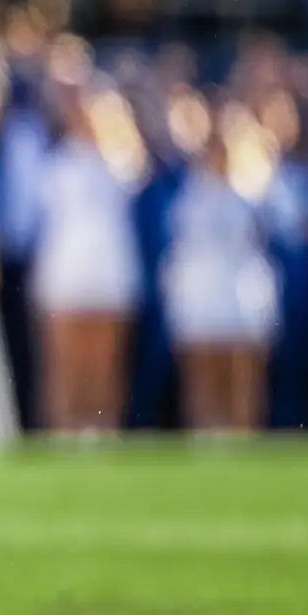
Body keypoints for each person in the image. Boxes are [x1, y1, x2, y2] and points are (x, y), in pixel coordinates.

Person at [31, 68, 146, 432]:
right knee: (64, 365)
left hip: (109, 273)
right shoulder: (55, 160)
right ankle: (65, 431)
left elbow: (135, 171)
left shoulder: (121, 162)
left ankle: (102, 431)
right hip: (65, 273)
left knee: (105, 365)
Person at [162, 101, 279, 432]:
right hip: (201, 298)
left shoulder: (256, 193)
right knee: (201, 379)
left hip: (243, 298)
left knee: (243, 380)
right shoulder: (190, 195)